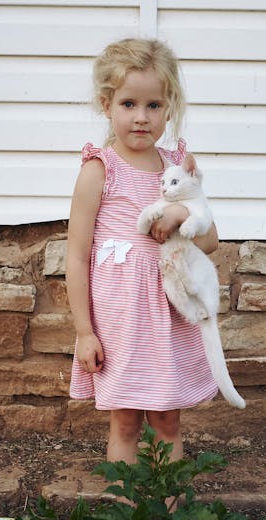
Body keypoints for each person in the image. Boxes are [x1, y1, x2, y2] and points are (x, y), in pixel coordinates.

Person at [66, 37, 219, 467]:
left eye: (153, 106)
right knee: (126, 421)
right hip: (122, 321)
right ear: (106, 104)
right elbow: (76, 258)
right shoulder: (100, 171)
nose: (141, 117)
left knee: (167, 421)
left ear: (168, 107)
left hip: (168, 317)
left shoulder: (176, 170)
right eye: (129, 104)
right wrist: (84, 332)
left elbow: (211, 240)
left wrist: (176, 215)